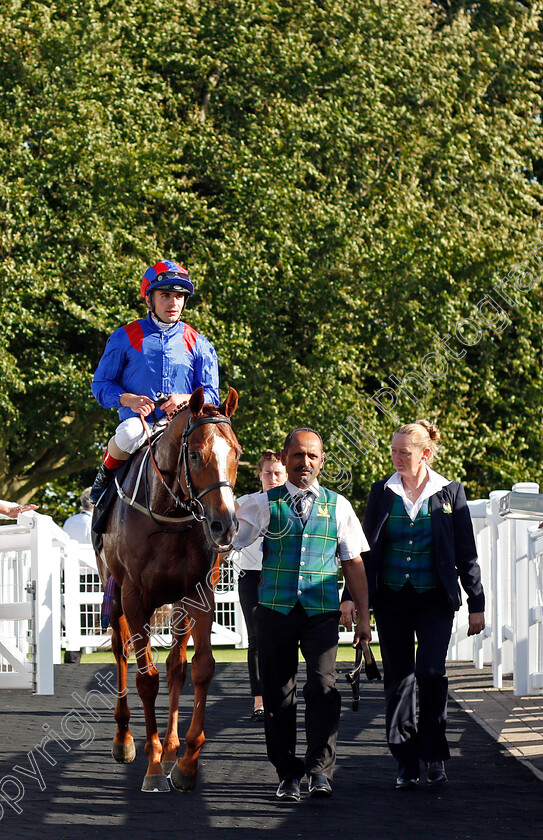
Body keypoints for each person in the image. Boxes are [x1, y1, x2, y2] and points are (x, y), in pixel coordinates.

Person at [341, 420, 485, 790]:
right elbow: (364, 550)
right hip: (391, 599)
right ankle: (406, 762)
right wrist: (350, 597)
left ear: (426, 453)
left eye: (404, 452)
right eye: (393, 451)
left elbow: (466, 552)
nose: (396, 458)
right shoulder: (381, 492)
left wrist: (476, 602)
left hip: (436, 599)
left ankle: (434, 754)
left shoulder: (450, 492)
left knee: (431, 674)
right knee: (399, 680)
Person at [233, 427, 371, 802]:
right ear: (285, 458)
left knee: (323, 687)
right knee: (277, 693)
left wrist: (362, 618)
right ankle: (287, 773)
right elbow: (228, 538)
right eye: (297, 455)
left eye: (312, 456)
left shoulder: (338, 505)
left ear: (322, 460)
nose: (305, 462)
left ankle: (320, 771)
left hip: (321, 611)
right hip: (275, 611)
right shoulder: (263, 503)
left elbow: (354, 562)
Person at [89, 260, 220, 503]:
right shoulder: (124, 336)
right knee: (128, 433)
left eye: (179, 297)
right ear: (149, 299)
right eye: (165, 295)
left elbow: (212, 394)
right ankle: (103, 479)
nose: (173, 303)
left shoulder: (199, 343)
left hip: (182, 425)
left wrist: (186, 398)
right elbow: (101, 384)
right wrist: (129, 399)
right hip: (140, 424)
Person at [235, 450, 287, 721]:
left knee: (283, 636)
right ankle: (259, 701)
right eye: (268, 473)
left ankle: (282, 694)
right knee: (256, 638)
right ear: (259, 475)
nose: (273, 477)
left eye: (278, 472)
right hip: (252, 576)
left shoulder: (296, 503)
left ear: (287, 474)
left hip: (284, 576)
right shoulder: (244, 503)